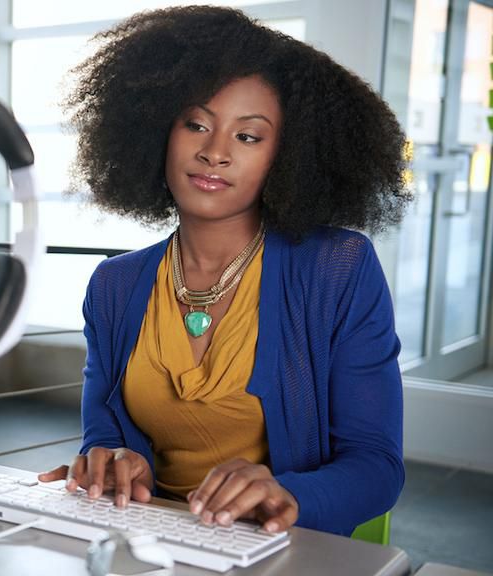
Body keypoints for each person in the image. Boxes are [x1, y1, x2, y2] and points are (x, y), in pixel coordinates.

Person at [38, 6, 410, 537]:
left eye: (248, 136)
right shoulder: (114, 287)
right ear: (157, 131)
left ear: (286, 157)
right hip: (149, 543)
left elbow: (377, 466)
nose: (214, 153)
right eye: (196, 124)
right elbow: (103, 434)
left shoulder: (337, 268)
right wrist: (112, 462)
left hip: (279, 546)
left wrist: (286, 494)